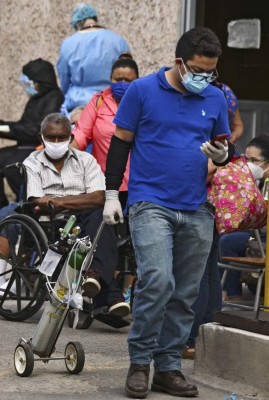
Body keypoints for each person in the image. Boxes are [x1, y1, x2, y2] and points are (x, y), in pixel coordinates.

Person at [102, 27, 234, 398]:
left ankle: (169, 366)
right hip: (150, 202)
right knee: (158, 281)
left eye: (211, 72)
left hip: (195, 206)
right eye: (197, 69)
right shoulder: (142, 90)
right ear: (179, 62)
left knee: (186, 292)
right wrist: (112, 194)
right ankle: (140, 362)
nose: (204, 78)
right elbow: (120, 144)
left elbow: (224, 146)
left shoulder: (215, 97)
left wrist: (223, 157)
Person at [0, 113, 130, 317]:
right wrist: (74, 200)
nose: (56, 142)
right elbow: (36, 203)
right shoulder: (32, 162)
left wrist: (58, 201)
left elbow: (98, 197)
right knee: (94, 217)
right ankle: (111, 295)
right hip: (51, 222)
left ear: (70, 138)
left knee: (100, 216)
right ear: (41, 137)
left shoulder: (86, 160)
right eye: (51, 138)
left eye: (61, 138)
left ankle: (94, 277)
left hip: (85, 214)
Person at [183, 81, 244, 359]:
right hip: (213, 203)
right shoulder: (224, 94)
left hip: (204, 201)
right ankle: (205, 331)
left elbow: (207, 167)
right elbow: (235, 130)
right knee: (208, 269)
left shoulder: (213, 100)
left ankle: (193, 335)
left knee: (200, 272)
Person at [71, 53, 139, 209]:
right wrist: (61, 156)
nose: (122, 84)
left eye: (128, 80)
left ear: (137, 81)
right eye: (118, 79)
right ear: (110, 79)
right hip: (104, 185)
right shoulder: (98, 101)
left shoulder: (144, 103)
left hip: (138, 186)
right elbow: (81, 135)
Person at [0, 58, 64, 208]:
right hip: (23, 145)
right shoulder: (35, 99)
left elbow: (37, 129)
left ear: (38, 82)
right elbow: (24, 125)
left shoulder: (55, 98)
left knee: (12, 168)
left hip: (37, 148)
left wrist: (9, 129)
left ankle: (25, 206)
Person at [219, 135, 269, 301]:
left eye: (254, 160)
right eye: (246, 159)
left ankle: (232, 295)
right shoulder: (248, 180)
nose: (249, 164)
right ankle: (221, 294)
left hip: (262, 237)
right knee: (222, 233)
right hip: (255, 233)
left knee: (227, 242)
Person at [57, 3, 130, 115]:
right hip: (113, 105)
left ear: (77, 24)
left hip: (79, 107)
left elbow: (64, 80)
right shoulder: (118, 41)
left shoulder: (68, 44)